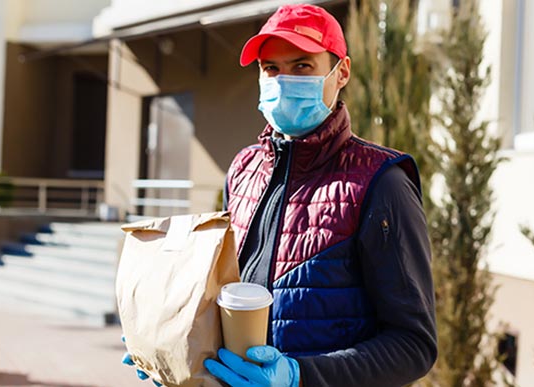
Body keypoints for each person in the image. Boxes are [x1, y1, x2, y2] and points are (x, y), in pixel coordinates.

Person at [126, 3, 436, 386]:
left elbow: (413, 346)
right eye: (271, 68)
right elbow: (224, 294)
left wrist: (297, 376)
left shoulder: (380, 181)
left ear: (341, 73)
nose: (282, 80)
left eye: (302, 66)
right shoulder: (243, 169)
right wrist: (170, 345)